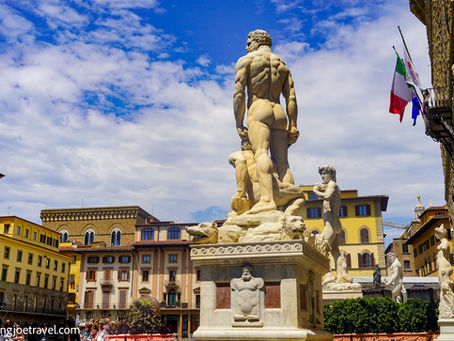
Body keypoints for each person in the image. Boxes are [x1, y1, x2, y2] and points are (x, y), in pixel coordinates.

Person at [234, 29, 299, 214]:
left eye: (248, 42)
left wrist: (238, 122)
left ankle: (267, 200)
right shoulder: (282, 64)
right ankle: (289, 208)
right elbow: (291, 97)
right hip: (279, 111)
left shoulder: (247, 60)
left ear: (256, 41)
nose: (246, 47)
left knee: (261, 152)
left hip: (259, 108)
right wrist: (293, 124)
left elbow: (239, 95)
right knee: (283, 163)